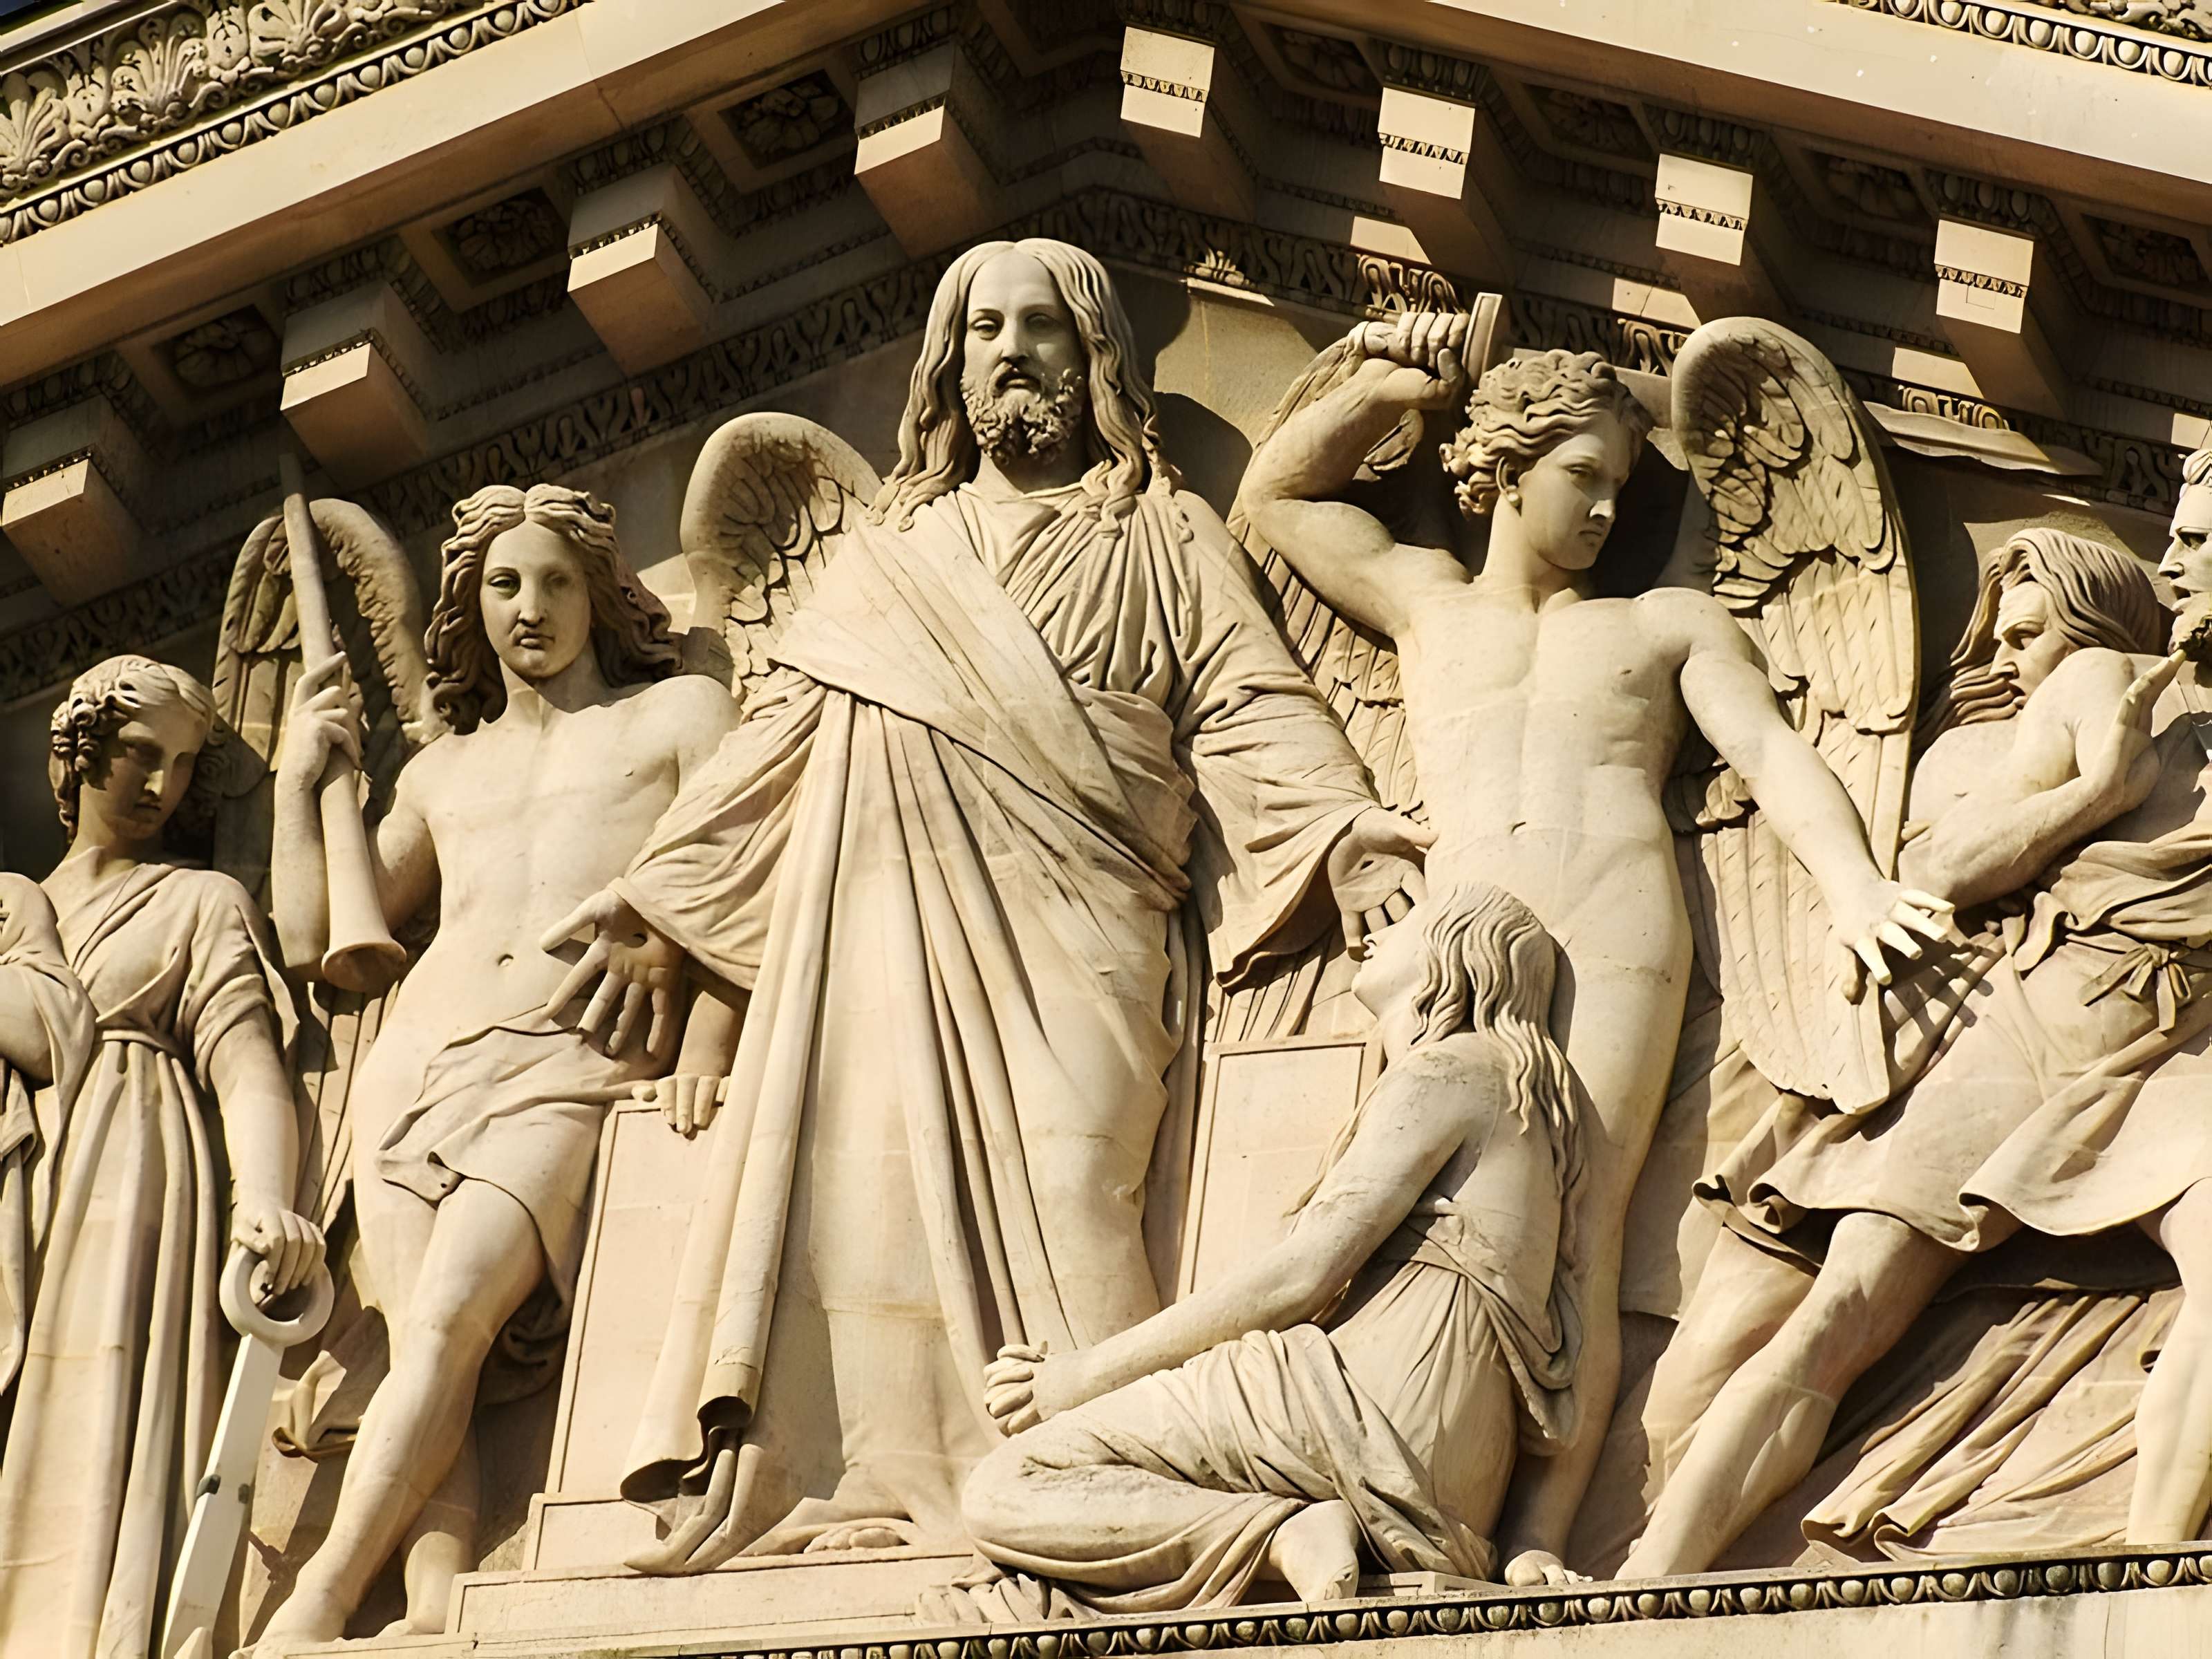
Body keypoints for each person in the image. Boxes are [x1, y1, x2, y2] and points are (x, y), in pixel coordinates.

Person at [550, 238, 1429, 1567]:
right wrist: (667, 907)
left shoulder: (1164, 533)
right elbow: (777, 739)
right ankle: (874, 1476)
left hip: (1086, 936)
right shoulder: (890, 560)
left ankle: (1108, 1481)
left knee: (1078, 1195)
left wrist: (1347, 834)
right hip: (881, 941)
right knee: (865, 1211)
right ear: (948, 374)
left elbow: (1250, 706)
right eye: (984, 331)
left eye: (1044, 328)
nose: (1011, 351)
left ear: (1096, 363)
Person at [1235, 315, 1951, 1578]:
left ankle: (1540, 1536)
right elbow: (1273, 492)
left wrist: (1849, 889)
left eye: (1626, 484)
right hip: (1458, 946)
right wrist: (1399, 378)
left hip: (1615, 932)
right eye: (1584, 477)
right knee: (1422, 1213)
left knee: (1585, 1232)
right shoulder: (1422, 601)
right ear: (1504, 472)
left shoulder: (1665, 626)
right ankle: (1397, 1475)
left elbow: (1775, 756)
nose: (1610, 509)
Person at [1622, 494, 2212, 1576]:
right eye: (2175, 533)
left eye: (2201, 539)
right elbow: (1940, 872)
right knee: (1844, 1311)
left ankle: (2163, 1567)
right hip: (2042, 1021)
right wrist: (2097, 791)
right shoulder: (2106, 688)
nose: (2174, 562)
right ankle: (1652, 1575)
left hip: (2182, 1060)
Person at [251, 485, 738, 1646]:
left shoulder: (676, 715)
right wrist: (296, 782)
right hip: (418, 1063)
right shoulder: (438, 775)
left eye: (558, 580)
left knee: (448, 1321)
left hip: (572, 1052)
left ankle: (316, 1600)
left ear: (601, 593)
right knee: (430, 1333)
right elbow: (324, 938)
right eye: (504, 585)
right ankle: (431, 1602)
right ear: (469, 606)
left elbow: (751, 861)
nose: (532, 607)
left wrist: (689, 990)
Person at [958, 883, 1579, 1613]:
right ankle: (1289, 1529)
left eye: (1407, 919)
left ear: (1454, 955)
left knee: (1009, 1484)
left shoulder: (1447, 1071)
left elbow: (1304, 1272)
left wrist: (1081, 1375)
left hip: (1354, 1413)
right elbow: (1578, 1343)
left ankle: (1279, 1530)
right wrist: (1534, 1534)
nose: (1373, 934)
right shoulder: (1534, 1108)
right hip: (1458, 1486)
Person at [0, 655, 322, 1659]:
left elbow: (250, 1063)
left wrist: (265, 1196)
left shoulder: (200, 902)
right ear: (78, 752)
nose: (159, 786)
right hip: (16, 1182)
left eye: (183, 766)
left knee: (96, 1430)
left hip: (132, 1174)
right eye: (140, 754)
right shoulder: (9, 911)